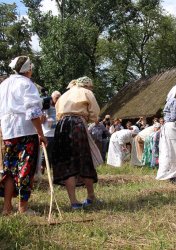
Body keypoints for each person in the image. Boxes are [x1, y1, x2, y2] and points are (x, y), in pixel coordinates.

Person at [0, 56, 47, 215]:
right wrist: (41, 133)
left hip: (8, 131)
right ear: (27, 70)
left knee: (9, 168)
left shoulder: (4, 84)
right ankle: (23, 207)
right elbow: (33, 112)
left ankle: (7, 207)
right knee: (25, 167)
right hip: (25, 131)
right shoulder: (27, 84)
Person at [52, 76, 102, 209]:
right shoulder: (87, 92)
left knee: (68, 163)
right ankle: (90, 196)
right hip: (77, 124)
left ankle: (74, 201)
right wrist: (89, 119)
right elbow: (95, 113)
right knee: (84, 159)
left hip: (62, 125)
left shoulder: (64, 94)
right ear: (87, 86)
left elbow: (57, 113)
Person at [40, 90, 61, 172]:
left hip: (56, 134)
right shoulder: (45, 108)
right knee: (45, 154)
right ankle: (42, 168)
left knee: (53, 153)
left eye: (59, 98)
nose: (58, 99)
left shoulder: (59, 108)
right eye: (57, 98)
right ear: (52, 98)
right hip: (47, 134)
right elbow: (41, 121)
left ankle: (51, 169)